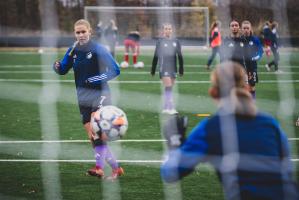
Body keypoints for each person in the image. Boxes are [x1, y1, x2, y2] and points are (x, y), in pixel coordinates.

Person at [161, 61, 298, 200]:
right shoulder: (270, 123)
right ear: (247, 88)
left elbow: (170, 173)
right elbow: (287, 167)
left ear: (213, 92)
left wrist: (174, 143)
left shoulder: (211, 128)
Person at [53, 19, 123, 179]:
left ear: (90, 32)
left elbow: (115, 69)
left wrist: (95, 79)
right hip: (82, 96)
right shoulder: (73, 50)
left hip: (100, 93)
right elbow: (63, 69)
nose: (81, 35)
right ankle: (116, 168)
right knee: (92, 134)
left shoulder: (98, 49)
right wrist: (56, 67)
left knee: (95, 129)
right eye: (78, 32)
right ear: (74, 34)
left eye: (83, 31)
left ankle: (99, 168)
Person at [151, 23, 184, 114]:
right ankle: (171, 107)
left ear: (172, 30)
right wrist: (153, 69)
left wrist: (181, 68)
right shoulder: (160, 42)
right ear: (163, 31)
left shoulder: (176, 41)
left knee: (169, 88)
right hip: (163, 67)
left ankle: (165, 107)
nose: (168, 30)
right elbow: (155, 56)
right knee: (168, 86)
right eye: (166, 29)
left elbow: (180, 56)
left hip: (173, 68)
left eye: (169, 29)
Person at [241, 20, 263, 99]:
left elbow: (260, 51)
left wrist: (254, 58)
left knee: (252, 86)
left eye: (247, 28)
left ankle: (252, 105)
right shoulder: (240, 39)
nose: (246, 30)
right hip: (242, 67)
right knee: (243, 87)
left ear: (250, 29)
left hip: (252, 66)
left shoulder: (255, 39)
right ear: (241, 29)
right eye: (244, 28)